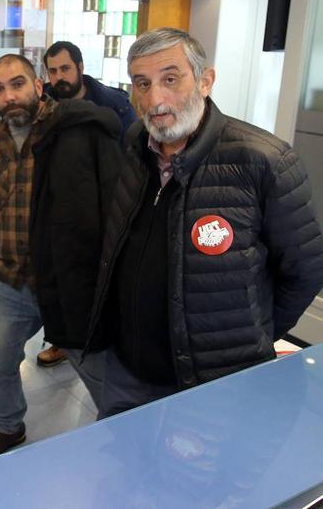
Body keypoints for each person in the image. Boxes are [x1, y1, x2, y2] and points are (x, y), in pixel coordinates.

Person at [86, 28, 323, 419]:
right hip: (126, 371)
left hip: (213, 384)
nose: (155, 99)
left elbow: (307, 268)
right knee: (123, 473)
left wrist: (255, 334)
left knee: (199, 477)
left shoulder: (263, 160)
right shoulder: (133, 146)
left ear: (206, 80)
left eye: (170, 79)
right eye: (141, 84)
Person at [0, 54, 119, 463]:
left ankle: (122, 429)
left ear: (38, 85)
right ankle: (8, 425)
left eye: (17, 84)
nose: (8, 96)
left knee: (99, 371)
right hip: (8, 279)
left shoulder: (71, 130)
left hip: (65, 282)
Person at [36, 40, 138, 368]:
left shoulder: (113, 103)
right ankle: (61, 341)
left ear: (80, 67)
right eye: (52, 71)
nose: (59, 77)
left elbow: (132, 152)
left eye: (65, 68)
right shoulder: (46, 106)